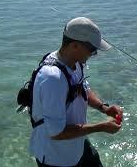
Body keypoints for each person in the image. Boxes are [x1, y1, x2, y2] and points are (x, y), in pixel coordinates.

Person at [29, 17, 123, 167]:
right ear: (74, 46)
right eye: (92, 50)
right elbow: (57, 133)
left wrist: (103, 107)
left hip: (77, 144)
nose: (93, 54)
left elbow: (83, 88)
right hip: (57, 158)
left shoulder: (75, 63)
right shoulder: (53, 78)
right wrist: (101, 127)